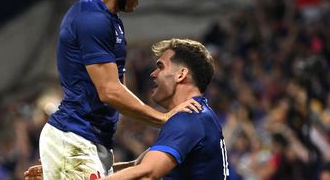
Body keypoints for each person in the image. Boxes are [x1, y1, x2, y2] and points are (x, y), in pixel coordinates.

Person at [38, 0, 201, 180]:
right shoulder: (91, 19)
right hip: (75, 138)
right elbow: (109, 92)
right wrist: (162, 118)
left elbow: (117, 92)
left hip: (87, 143)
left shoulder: (110, 21)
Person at [26, 38, 230, 180]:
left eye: (160, 66)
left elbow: (146, 173)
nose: (153, 73)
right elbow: (137, 165)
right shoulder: (198, 116)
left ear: (181, 74)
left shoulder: (188, 119)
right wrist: (65, 173)